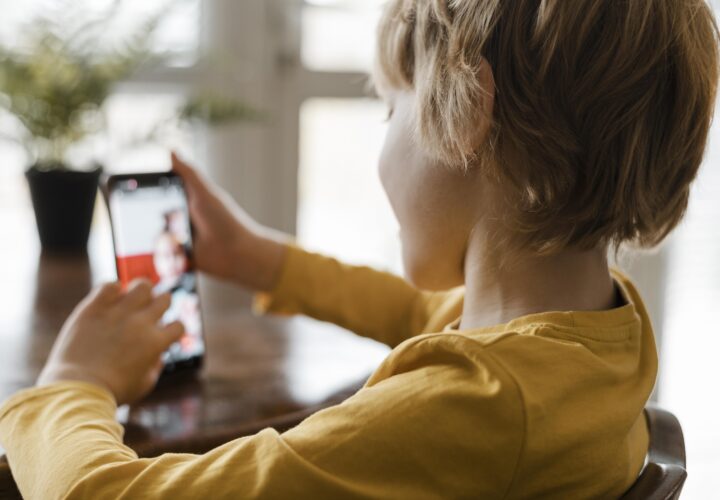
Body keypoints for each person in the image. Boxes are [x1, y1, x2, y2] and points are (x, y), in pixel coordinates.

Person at [1, 1, 718, 498]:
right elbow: (428, 314)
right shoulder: (599, 334)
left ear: (467, 110)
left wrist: (70, 383)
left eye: (390, 106)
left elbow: (102, 494)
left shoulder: (474, 410)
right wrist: (264, 260)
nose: (383, 135)